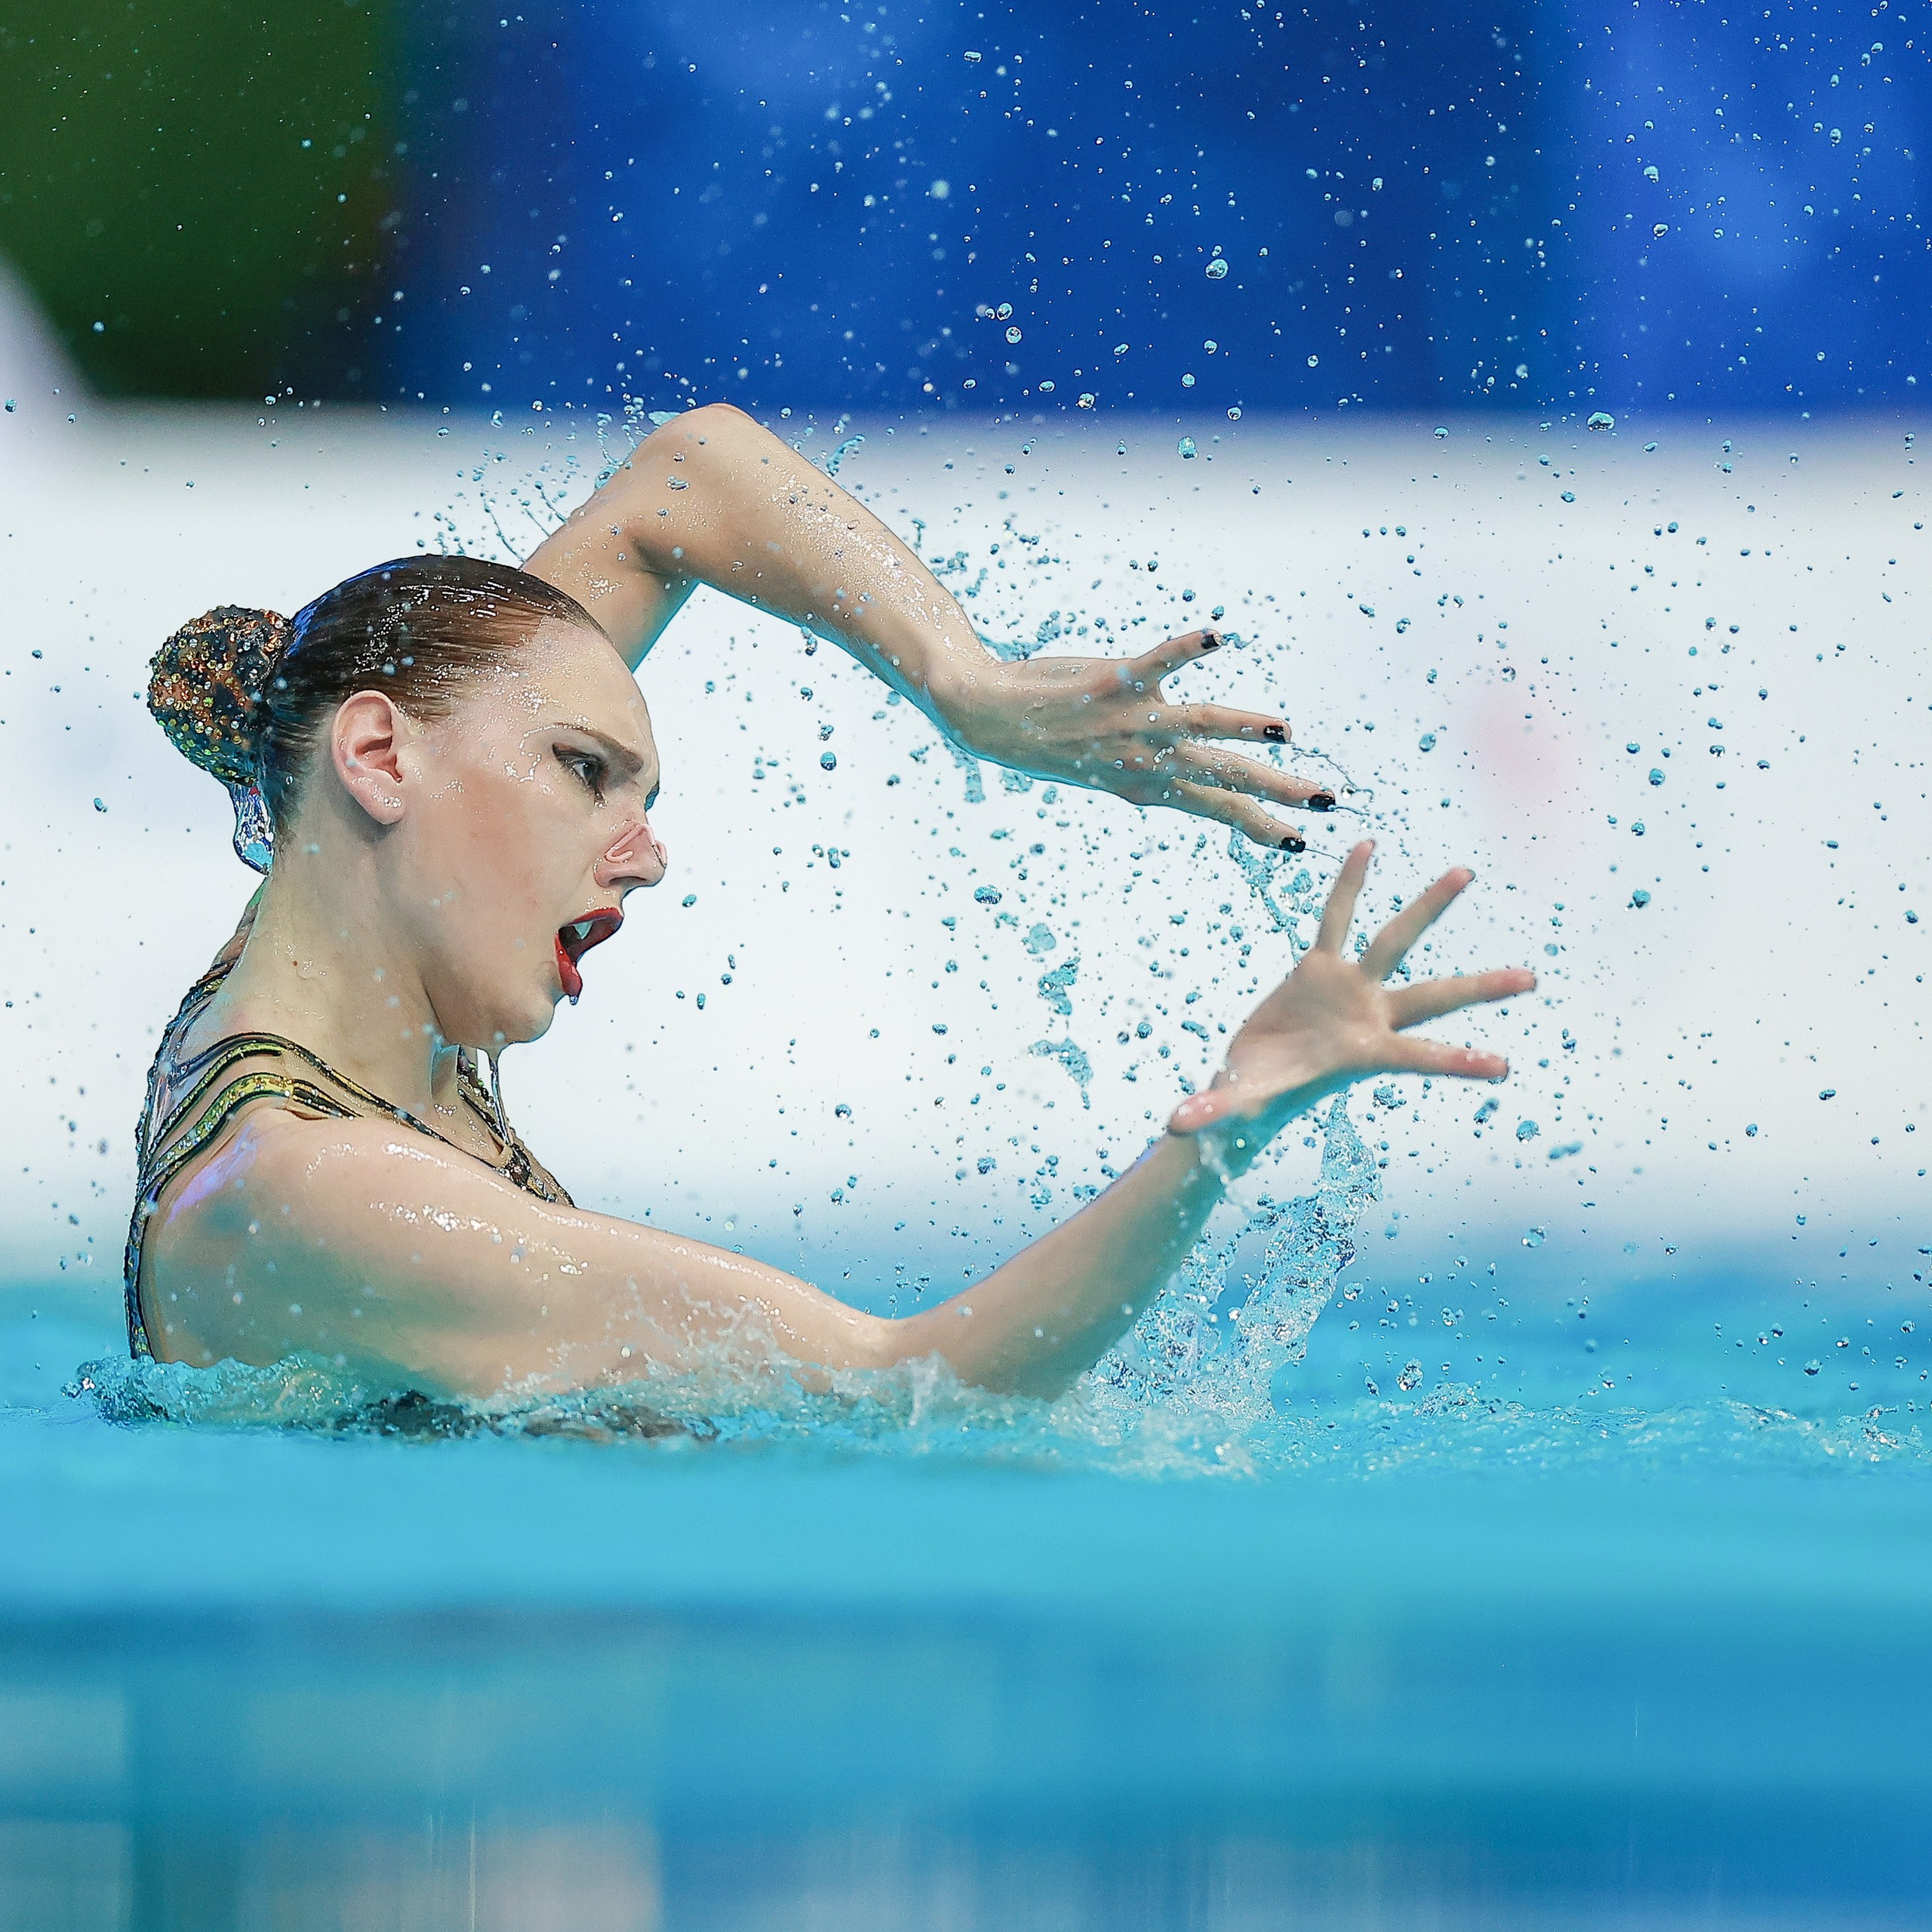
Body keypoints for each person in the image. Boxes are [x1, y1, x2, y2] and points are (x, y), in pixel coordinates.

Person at [128, 402, 1532, 1401]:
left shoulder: (349, 953)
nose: (646, 855)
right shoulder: (309, 1194)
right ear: (379, 757)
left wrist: (960, 680)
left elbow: (685, 480)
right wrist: (1229, 1124)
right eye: (587, 774)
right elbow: (915, 1389)